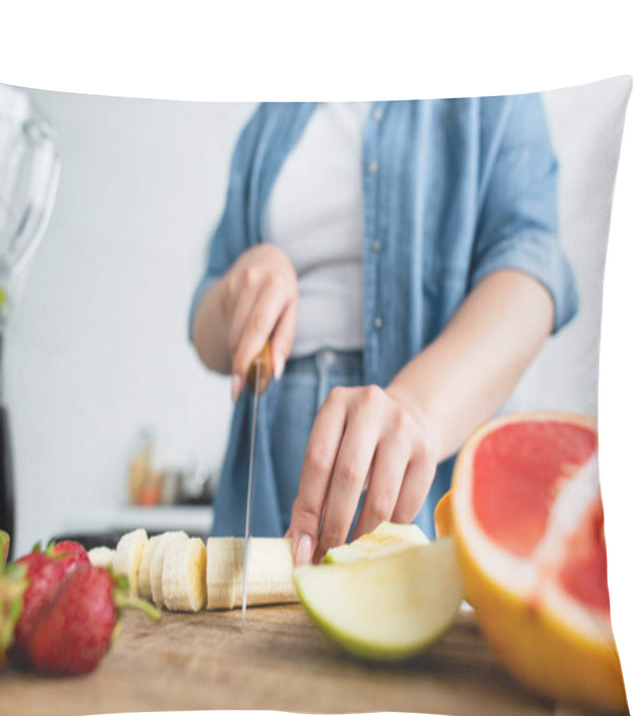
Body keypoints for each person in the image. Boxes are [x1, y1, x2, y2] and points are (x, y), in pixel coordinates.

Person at [189, 99, 578, 566]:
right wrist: (240, 287)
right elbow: (205, 317)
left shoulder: (495, 91)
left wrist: (417, 411)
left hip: (427, 479)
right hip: (261, 478)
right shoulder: (270, 115)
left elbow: (531, 272)